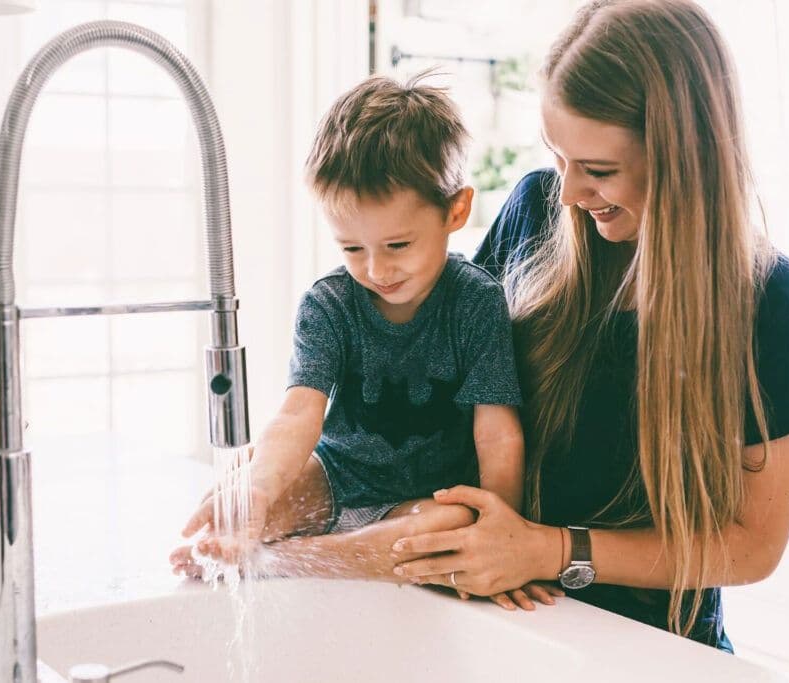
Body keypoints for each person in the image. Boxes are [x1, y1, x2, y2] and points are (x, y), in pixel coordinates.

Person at [387, 0, 789, 651]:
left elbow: (751, 544)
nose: (567, 192)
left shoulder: (771, 303)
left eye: (599, 170)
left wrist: (549, 549)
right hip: (502, 622)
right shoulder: (533, 211)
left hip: (654, 650)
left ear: (683, 158)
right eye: (558, 157)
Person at [171, 73, 529, 607]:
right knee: (244, 493)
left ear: (455, 212)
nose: (377, 268)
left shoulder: (475, 303)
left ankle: (288, 560)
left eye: (397, 244)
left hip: (423, 500)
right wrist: (259, 491)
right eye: (352, 249)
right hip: (334, 477)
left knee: (447, 527)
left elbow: (497, 434)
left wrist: (502, 540)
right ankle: (254, 540)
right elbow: (298, 416)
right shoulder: (329, 305)